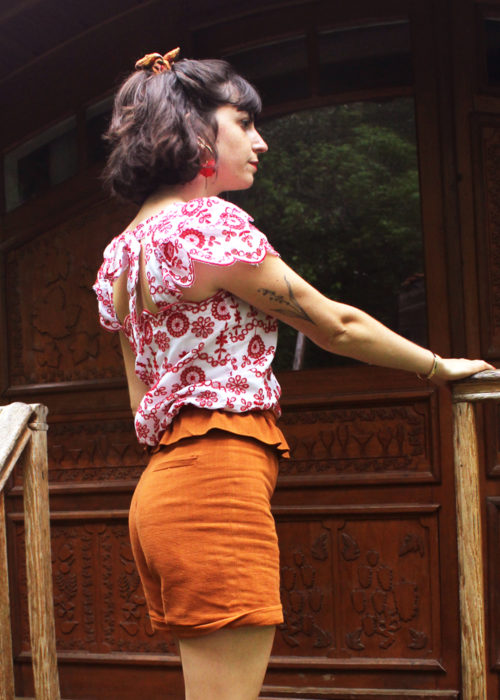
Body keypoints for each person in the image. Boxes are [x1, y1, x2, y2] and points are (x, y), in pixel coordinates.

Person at [93, 48, 494, 700]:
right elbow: (335, 325)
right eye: (244, 123)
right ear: (195, 130)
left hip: (163, 488)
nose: (261, 142)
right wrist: (437, 366)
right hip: (214, 486)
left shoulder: (121, 253)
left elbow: (140, 396)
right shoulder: (207, 226)